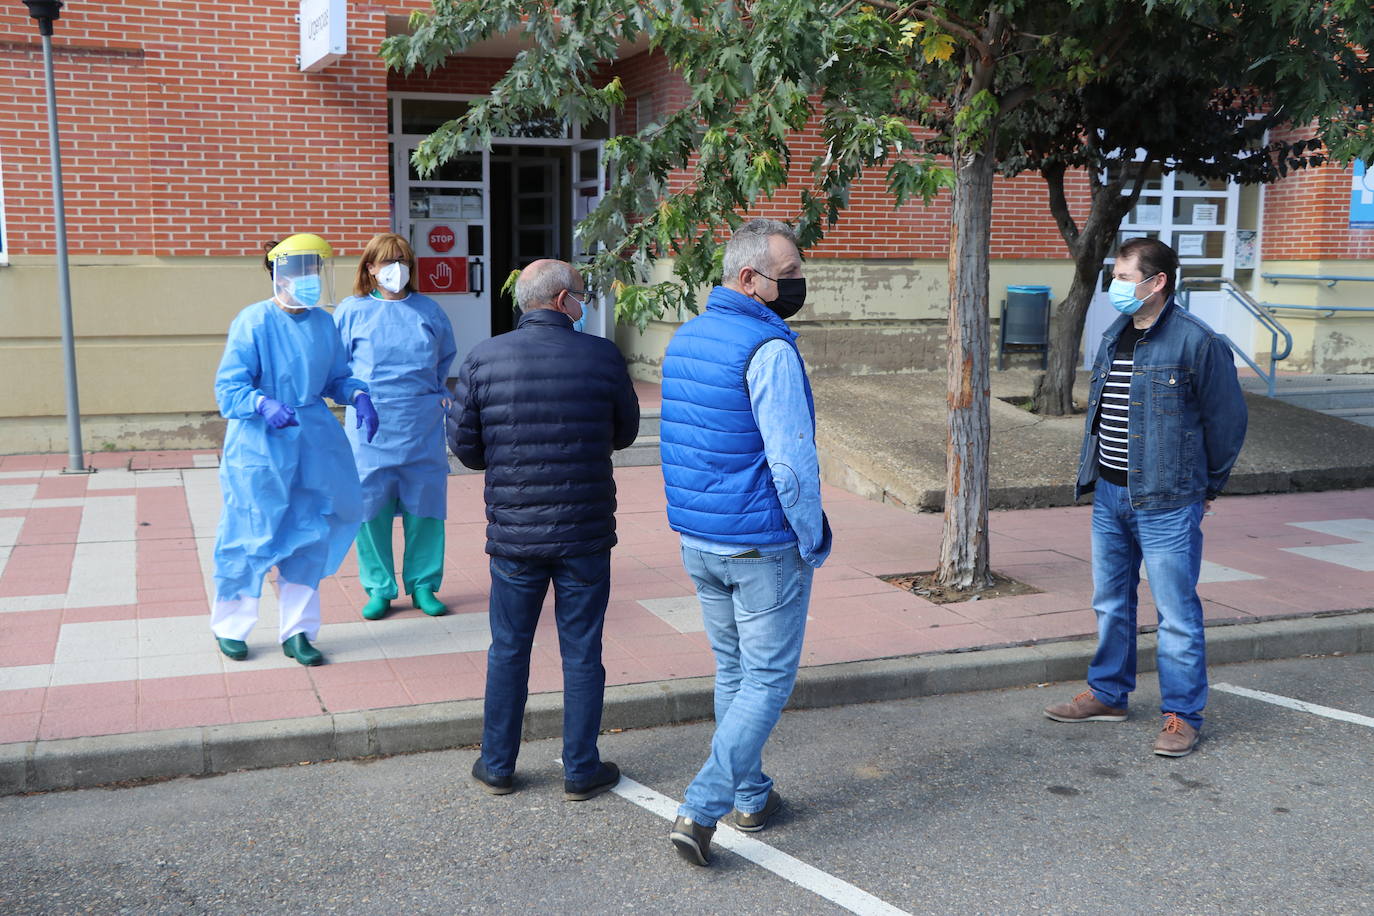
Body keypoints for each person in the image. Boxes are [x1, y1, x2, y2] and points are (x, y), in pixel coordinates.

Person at [659, 219, 832, 867]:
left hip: (701, 539)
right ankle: (703, 806)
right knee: (764, 679)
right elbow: (790, 465)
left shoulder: (686, 339)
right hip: (762, 543)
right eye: (788, 274)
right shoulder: (769, 350)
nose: (798, 284)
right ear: (749, 279)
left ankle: (752, 795)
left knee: (734, 671)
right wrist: (812, 537)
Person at [1044, 237, 1247, 757]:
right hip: (1110, 495)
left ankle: (1182, 714)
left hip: (1167, 500)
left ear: (1157, 283)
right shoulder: (1116, 333)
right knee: (1111, 603)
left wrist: (1208, 487)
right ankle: (1109, 694)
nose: (1115, 287)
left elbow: (1227, 423)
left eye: (1124, 278)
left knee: (1176, 613)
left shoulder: (1198, 342)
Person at [447, 259, 639, 800]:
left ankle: (497, 764)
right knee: (582, 650)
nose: (583, 304)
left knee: (508, 648)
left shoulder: (484, 357)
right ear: (561, 302)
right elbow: (625, 433)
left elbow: (466, 449)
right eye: (580, 295)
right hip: (584, 534)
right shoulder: (601, 356)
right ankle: (581, 769)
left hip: (515, 536)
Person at [210, 234, 379, 667]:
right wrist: (261, 403)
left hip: (313, 441)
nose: (308, 279)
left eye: (313, 269)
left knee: (309, 534)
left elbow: (335, 377)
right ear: (277, 274)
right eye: (298, 270)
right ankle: (231, 625)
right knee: (250, 533)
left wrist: (357, 394)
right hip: (259, 447)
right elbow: (229, 388)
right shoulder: (253, 322)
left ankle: (299, 631)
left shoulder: (324, 323)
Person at [336, 233, 457, 621]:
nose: (395, 269)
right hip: (369, 423)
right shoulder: (352, 312)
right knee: (370, 506)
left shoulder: (428, 310)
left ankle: (423, 584)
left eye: (402, 260)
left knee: (426, 506)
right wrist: (355, 397)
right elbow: (337, 370)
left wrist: (432, 395)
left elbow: (444, 359)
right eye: (387, 262)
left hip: (419, 421)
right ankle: (379, 587)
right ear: (369, 268)